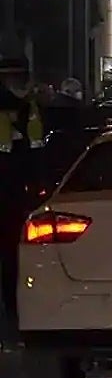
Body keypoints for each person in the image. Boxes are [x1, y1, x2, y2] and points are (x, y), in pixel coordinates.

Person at [0, 60, 46, 324]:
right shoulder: (24, 107)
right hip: (13, 190)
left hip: (16, 193)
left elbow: (35, 148)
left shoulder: (29, 108)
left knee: (13, 257)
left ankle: (13, 311)